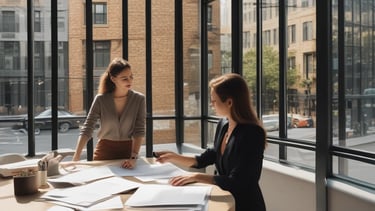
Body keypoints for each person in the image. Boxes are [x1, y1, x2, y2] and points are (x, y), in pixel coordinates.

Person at [155, 73, 267, 211]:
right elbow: (208, 157)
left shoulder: (252, 134)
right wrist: (173, 157)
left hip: (245, 205)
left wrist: (197, 177)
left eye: (214, 101)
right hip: (224, 199)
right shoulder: (224, 124)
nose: (211, 104)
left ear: (229, 102)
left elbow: (239, 182)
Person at [72, 57, 146, 169]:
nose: (129, 81)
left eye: (131, 77)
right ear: (113, 79)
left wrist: (134, 157)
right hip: (104, 151)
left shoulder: (139, 99)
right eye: (124, 78)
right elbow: (87, 128)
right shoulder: (101, 100)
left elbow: (139, 130)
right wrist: (76, 157)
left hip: (129, 153)